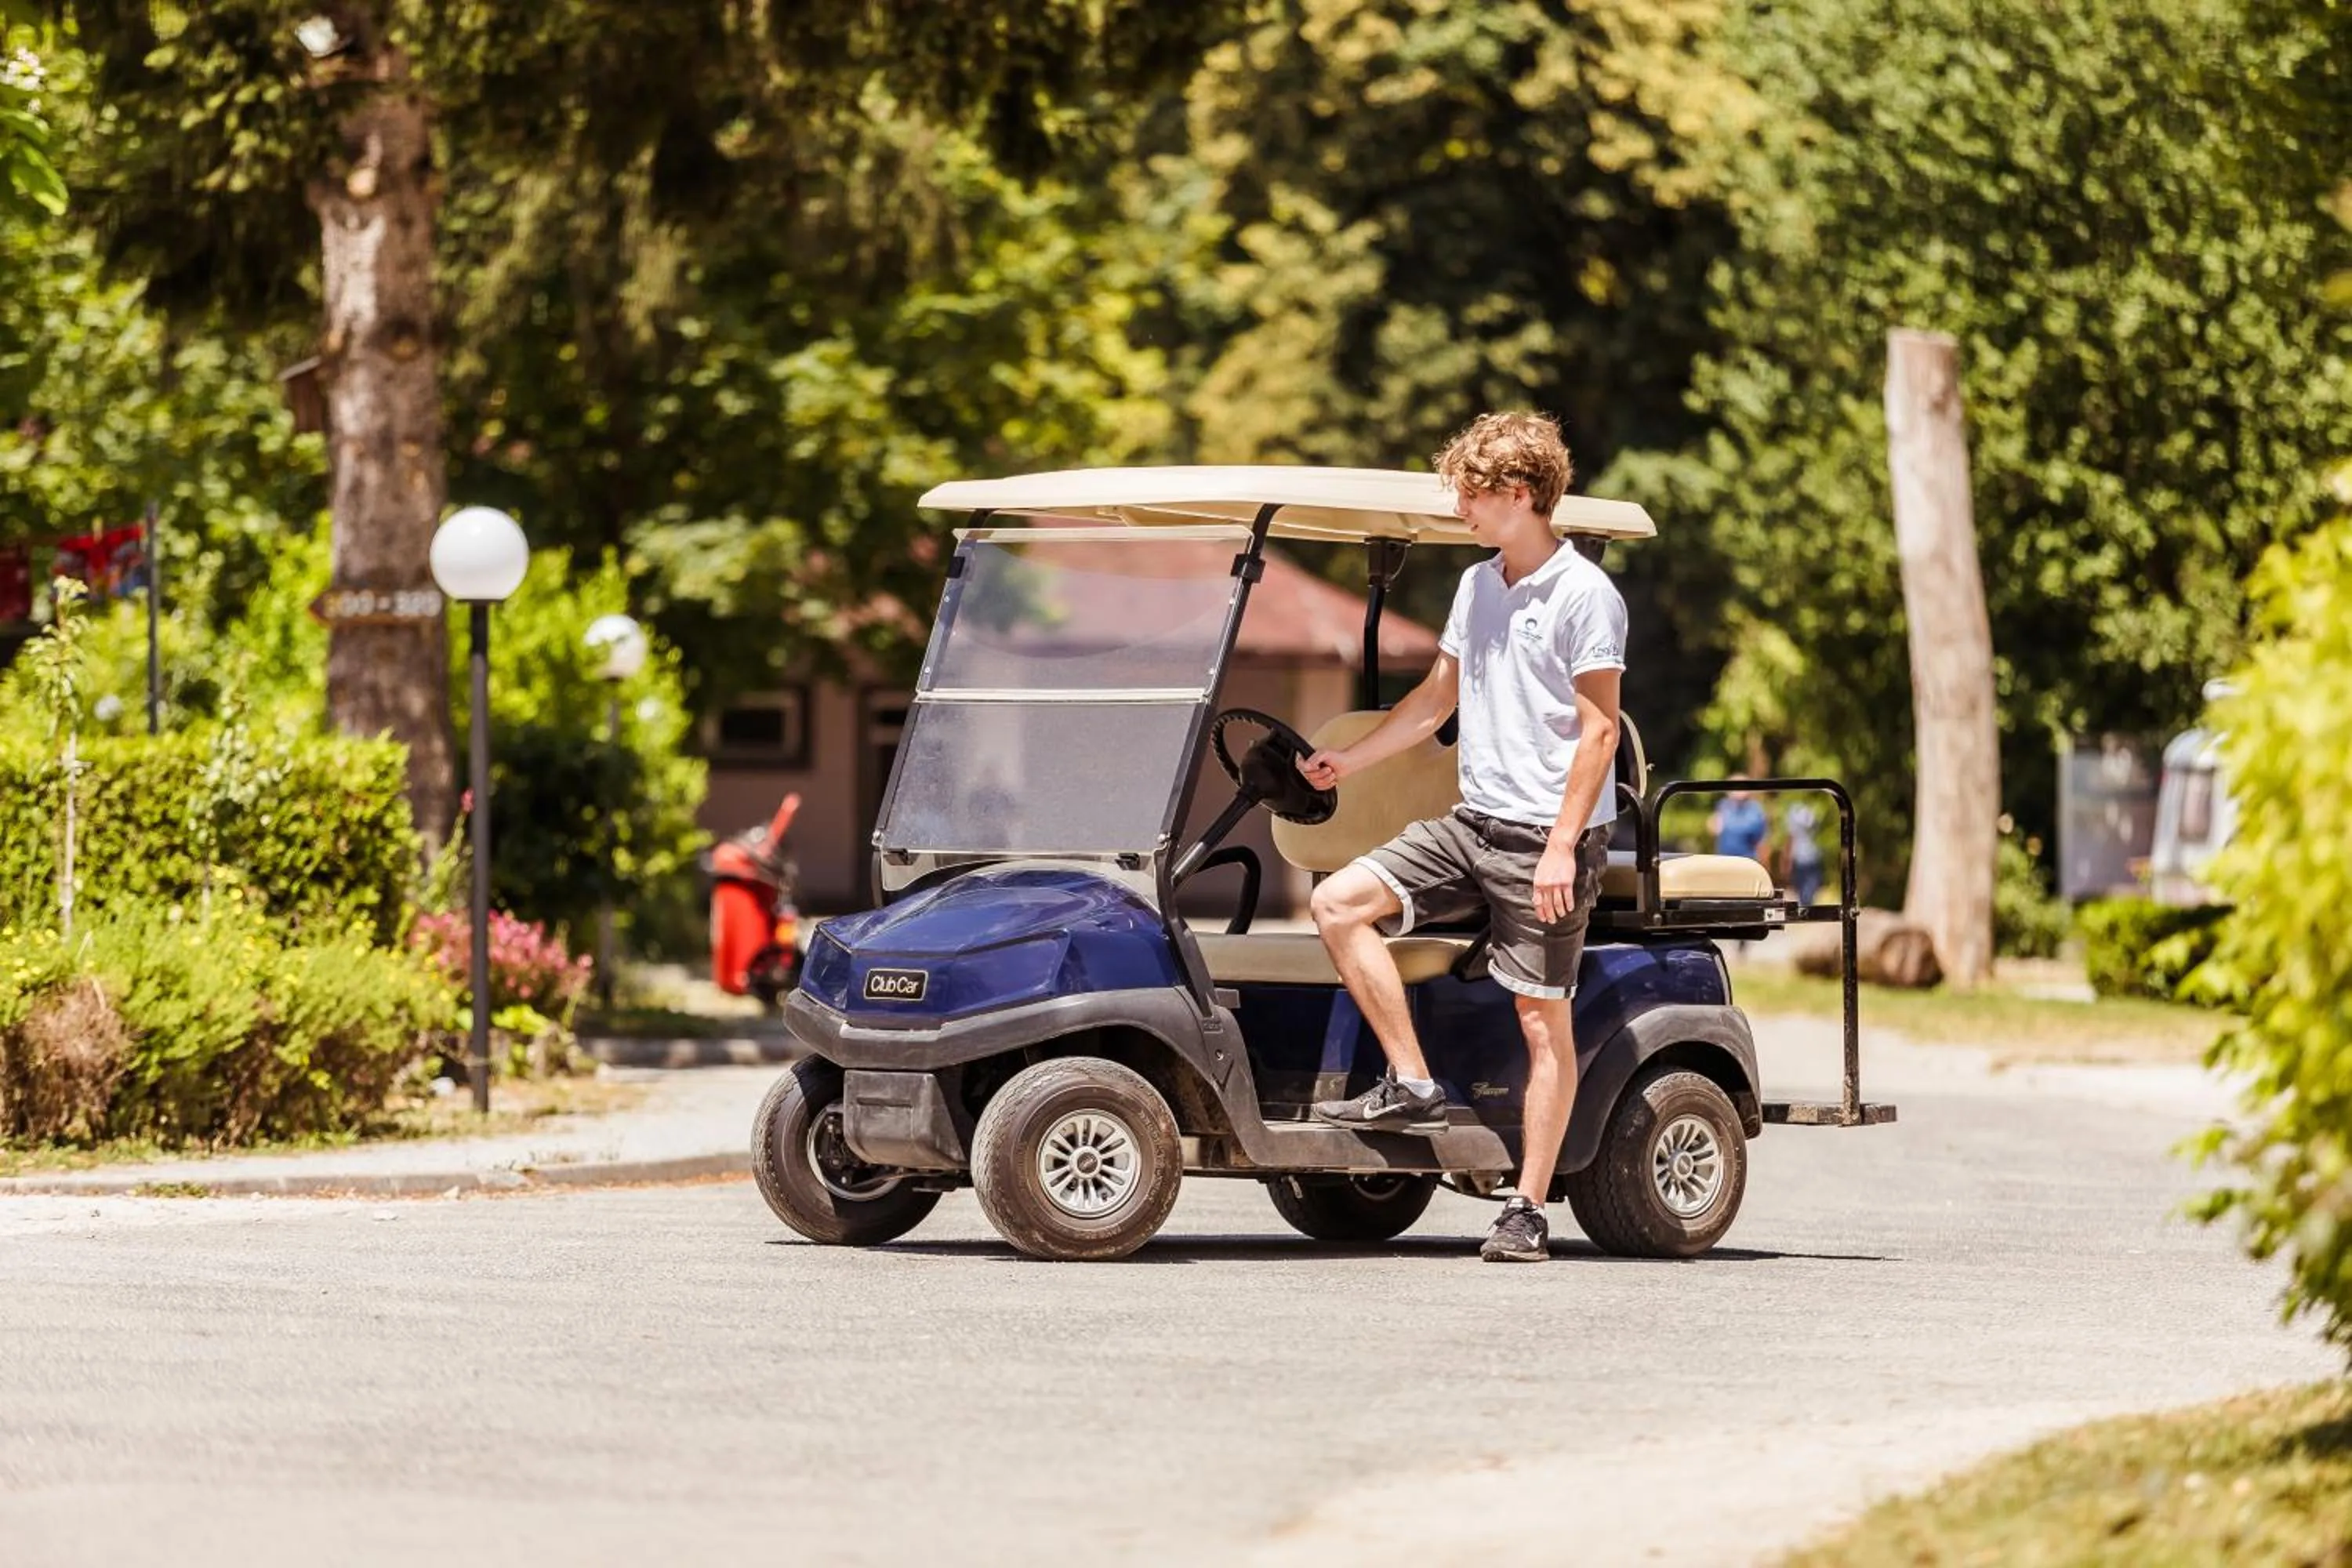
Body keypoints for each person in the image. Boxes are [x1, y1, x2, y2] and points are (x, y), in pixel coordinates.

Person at [1295, 412, 1624, 1264]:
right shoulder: (1478, 586)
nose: (1461, 511)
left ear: (1521, 495)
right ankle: (1412, 1081)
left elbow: (1599, 734)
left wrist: (1559, 847)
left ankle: (1526, 1207)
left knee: (1540, 1020)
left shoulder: (1586, 596)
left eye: (1472, 496)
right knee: (1337, 903)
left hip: (1543, 841)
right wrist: (1350, 760)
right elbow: (1436, 703)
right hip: (1471, 824)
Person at [1782, 800, 1825, 908]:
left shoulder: (1794, 819)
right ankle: (1807, 906)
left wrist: (1787, 860)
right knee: (1808, 886)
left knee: (1804, 886)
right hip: (1809, 856)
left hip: (1803, 857)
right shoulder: (1811, 819)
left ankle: (1805, 906)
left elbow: (1791, 839)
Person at [1709, 789, 1767, 861]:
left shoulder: (1755, 809)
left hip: (1747, 858)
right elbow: (1714, 828)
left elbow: (1761, 839)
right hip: (1724, 858)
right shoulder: (1723, 805)